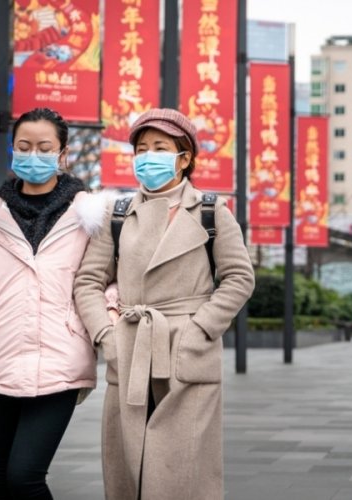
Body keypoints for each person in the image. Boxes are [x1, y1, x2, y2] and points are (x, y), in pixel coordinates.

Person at [74, 108, 255, 500]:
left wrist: (201, 328)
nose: (148, 156)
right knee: (129, 463)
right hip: (132, 345)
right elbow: (88, 280)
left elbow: (240, 278)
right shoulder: (117, 213)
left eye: (160, 147)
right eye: (141, 149)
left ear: (184, 157)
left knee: (183, 467)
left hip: (188, 347)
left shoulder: (212, 211)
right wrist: (107, 335)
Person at [0, 107, 106, 499]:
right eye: (24, 146)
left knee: (25, 477)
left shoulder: (90, 220)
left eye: (45, 147)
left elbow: (108, 283)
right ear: (12, 150)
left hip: (60, 362)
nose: (33, 155)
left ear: (63, 154)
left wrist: (103, 331)